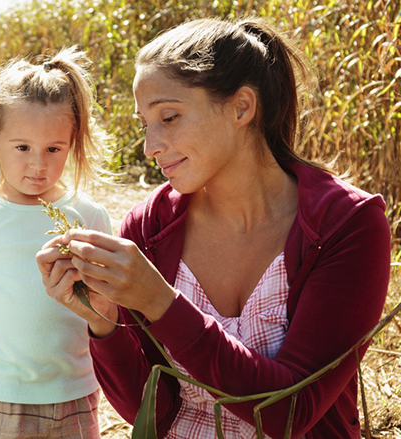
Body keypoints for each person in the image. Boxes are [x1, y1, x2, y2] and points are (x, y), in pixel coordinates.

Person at [36, 17, 391, 439]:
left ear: (241, 107)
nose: (150, 146)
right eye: (144, 124)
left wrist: (163, 305)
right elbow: (150, 412)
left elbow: (290, 413)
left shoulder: (345, 225)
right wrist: (105, 322)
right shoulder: (148, 228)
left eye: (169, 117)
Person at [0, 47, 113, 437]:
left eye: (54, 149)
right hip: (0, 391)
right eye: (22, 148)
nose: (38, 164)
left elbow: (107, 294)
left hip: (75, 389)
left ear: (72, 143)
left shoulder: (87, 215)